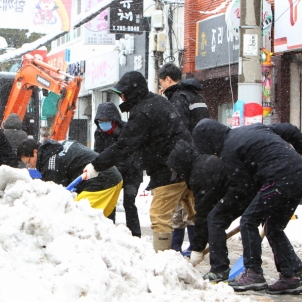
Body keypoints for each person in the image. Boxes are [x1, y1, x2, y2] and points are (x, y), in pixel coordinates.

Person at [83, 71, 195, 252]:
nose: (122, 99)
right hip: (187, 163)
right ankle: (209, 256)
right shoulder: (157, 102)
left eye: (123, 94)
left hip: (169, 168)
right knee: (196, 211)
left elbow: (125, 145)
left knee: (160, 215)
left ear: (132, 93)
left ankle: (163, 260)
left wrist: (96, 165)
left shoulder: (143, 111)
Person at [193, 119, 302, 294]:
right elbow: (290, 129)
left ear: (209, 142)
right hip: (300, 174)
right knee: (274, 227)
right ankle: (291, 275)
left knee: (248, 222)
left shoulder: (228, 150)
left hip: (278, 177)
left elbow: (244, 185)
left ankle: (254, 273)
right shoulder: (254, 128)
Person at [158, 63, 210, 253]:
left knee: (180, 205)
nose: (161, 88)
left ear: (168, 80)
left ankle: (176, 249)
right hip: (201, 156)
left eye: (161, 83)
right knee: (193, 204)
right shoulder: (196, 95)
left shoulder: (178, 98)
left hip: (185, 159)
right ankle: (195, 247)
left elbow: (178, 131)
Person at [17, 139, 123, 218]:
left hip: (102, 181)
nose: (30, 166)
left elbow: (57, 196)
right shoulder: (55, 147)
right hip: (111, 175)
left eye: (28, 162)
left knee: (76, 217)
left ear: (35, 152)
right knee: (101, 221)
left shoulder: (50, 166)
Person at [166, 140, 230, 270]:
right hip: (237, 188)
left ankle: (220, 269)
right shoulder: (199, 164)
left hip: (242, 190)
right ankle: (221, 267)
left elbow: (202, 214)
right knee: (215, 220)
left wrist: (197, 249)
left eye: (178, 172)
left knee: (215, 221)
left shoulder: (200, 174)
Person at [93, 102, 143, 237]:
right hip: (112, 172)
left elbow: (131, 155)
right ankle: (110, 230)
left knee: (129, 202)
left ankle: (135, 234)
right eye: (100, 121)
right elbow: (98, 153)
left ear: (114, 119)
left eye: (106, 121)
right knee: (110, 200)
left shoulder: (128, 130)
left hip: (132, 172)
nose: (103, 124)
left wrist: (114, 167)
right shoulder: (99, 133)